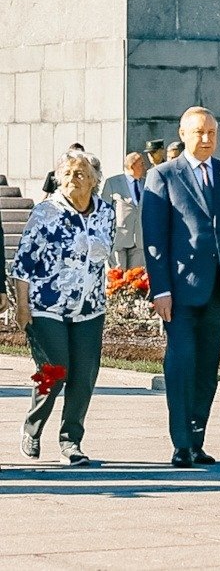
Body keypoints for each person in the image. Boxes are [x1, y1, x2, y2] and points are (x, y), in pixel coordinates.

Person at [142, 107, 220, 468]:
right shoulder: (162, 176)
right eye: (199, 132)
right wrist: (160, 290)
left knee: (207, 368)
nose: (207, 138)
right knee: (181, 364)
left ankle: (197, 440)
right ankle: (180, 443)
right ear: (183, 134)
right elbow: (154, 240)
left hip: (217, 289)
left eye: (212, 132)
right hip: (178, 292)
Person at [13, 150, 115, 467]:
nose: (74, 178)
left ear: (95, 180)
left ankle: (71, 441)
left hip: (89, 308)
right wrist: (22, 306)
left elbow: (103, 257)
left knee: (83, 376)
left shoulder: (106, 213)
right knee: (55, 370)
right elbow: (23, 264)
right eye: (68, 173)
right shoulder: (46, 213)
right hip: (46, 306)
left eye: (81, 172)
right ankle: (33, 426)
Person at [100, 152, 146, 270]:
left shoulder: (146, 183)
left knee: (136, 278)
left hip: (139, 237)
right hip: (119, 237)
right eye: (141, 164)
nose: (144, 168)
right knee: (118, 275)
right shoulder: (113, 182)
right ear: (132, 166)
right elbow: (104, 210)